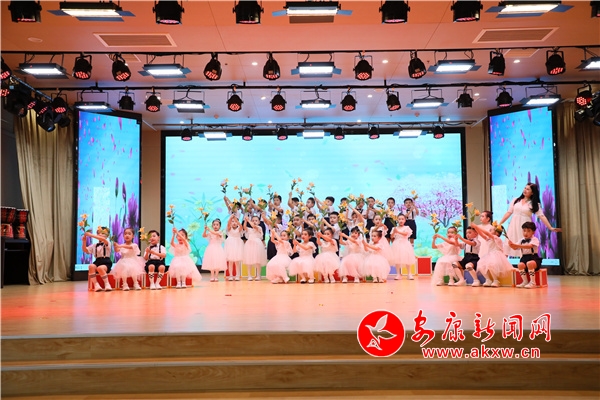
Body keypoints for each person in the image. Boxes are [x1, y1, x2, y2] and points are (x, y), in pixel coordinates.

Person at [498, 182, 561, 257]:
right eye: (525, 188)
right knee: (508, 246)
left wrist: (550, 227)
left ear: (532, 193)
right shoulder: (515, 200)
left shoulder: (534, 204)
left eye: (528, 189)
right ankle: (504, 264)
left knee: (524, 247)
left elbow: (541, 216)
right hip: (513, 225)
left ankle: (524, 263)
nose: (525, 190)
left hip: (525, 228)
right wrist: (500, 223)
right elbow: (509, 213)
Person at [472, 223, 513, 287]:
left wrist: (477, 226)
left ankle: (496, 280)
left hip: (496, 255)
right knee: (481, 265)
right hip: (490, 254)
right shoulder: (489, 238)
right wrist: (475, 228)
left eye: (491, 230)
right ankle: (488, 279)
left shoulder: (496, 238)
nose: (489, 231)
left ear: (497, 233)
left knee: (491, 265)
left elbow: (487, 233)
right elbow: (481, 234)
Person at [508, 221, 543, 289]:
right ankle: (525, 281)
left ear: (533, 232)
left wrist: (517, 245)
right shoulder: (521, 240)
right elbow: (515, 248)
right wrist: (511, 245)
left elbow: (529, 246)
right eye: (524, 231)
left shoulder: (535, 239)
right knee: (520, 265)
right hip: (524, 258)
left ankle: (533, 283)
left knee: (529, 263)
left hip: (533, 258)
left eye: (528, 231)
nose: (525, 233)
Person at [83, 226, 113, 292]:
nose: (100, 234)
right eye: (99, 233)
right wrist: (84, 241)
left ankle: (107, 284)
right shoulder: (94, 245)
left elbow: (103, 239)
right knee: (91, 266)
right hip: (97, 261)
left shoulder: (107, 243)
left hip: (106, 261)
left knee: (100, 268)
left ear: (107, 236)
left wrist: (90, 235)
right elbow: (85, 250)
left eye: (103, 233)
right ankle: (96, 285)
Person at [390, 214, 415, 280]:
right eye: (399, 219)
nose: (401, 220)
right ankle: (398, 274)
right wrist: (394, 232)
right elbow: (392, 237)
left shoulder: (406, 227)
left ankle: (409, 274)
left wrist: (397, 231)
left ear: (405, 220)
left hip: (405, 244)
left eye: (402, 219)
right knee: (397, 259)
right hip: (396, 244)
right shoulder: (394, 228)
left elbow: (406, 234)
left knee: (407, 259)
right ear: (397, 220)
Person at [243, 215, 267, 281]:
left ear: (259, 222)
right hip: (249, 245)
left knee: (257, 261)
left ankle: (258, 275)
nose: (254, 222)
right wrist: (245, 221)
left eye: (256, 220)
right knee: (249, 260)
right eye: (253, 220)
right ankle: (249, 275)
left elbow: (254, 226)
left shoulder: (259, 228)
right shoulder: (250, 229)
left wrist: (248, 220)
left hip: (257, 245)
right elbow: (244, 227)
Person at [224, 214, 244, 281]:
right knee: (230, 261)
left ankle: (237, 275)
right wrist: (231, 218)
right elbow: (228, 223)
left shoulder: (239, 229)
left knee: (237, 262)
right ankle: (230, 275)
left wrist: (236, 219)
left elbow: (241, 226)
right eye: (233, 221)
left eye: (235, 221)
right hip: (230, 245)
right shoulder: (229, 228)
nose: (234, 223)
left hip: (237, 245)